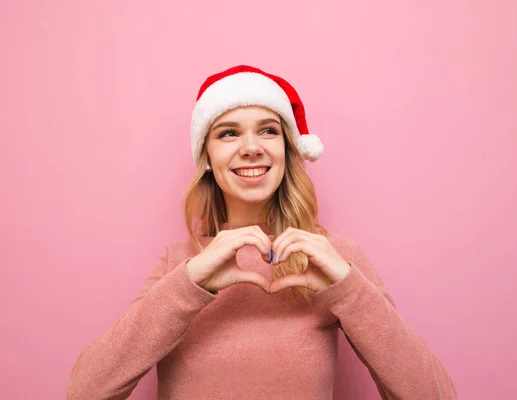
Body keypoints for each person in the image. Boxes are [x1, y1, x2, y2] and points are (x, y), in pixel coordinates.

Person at [67, 65, 457, 399]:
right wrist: (188, 284)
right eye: (229, 133)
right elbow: (86, 392)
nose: (251, 148)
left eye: (268, 131)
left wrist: (349, 289)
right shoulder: (180, 263)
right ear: (206, 158)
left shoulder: (335, 256)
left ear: (288, 149)